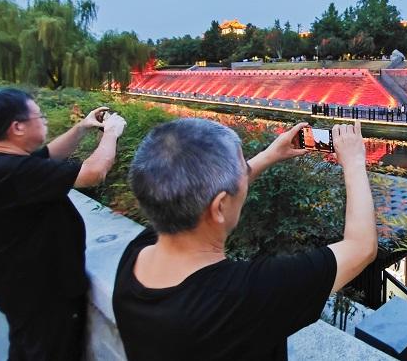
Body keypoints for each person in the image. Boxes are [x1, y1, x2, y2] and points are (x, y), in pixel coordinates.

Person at [113, 119, 377, 360]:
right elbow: (361, 247)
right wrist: (354, 162)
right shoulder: (244, 296)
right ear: (219, 207)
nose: (246, 174)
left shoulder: (135, 256)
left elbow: (204, 194)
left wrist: (270, 155)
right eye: (244, 169)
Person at [0, 88, 127, 360]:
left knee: (27, 347)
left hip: (20, 285)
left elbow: (48, 155)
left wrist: (82, 127)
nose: (45, 120)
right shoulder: (11, 171)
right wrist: (111, 132)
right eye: (39, 115)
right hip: (42, 292)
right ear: (17, 127)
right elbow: (93, 173)